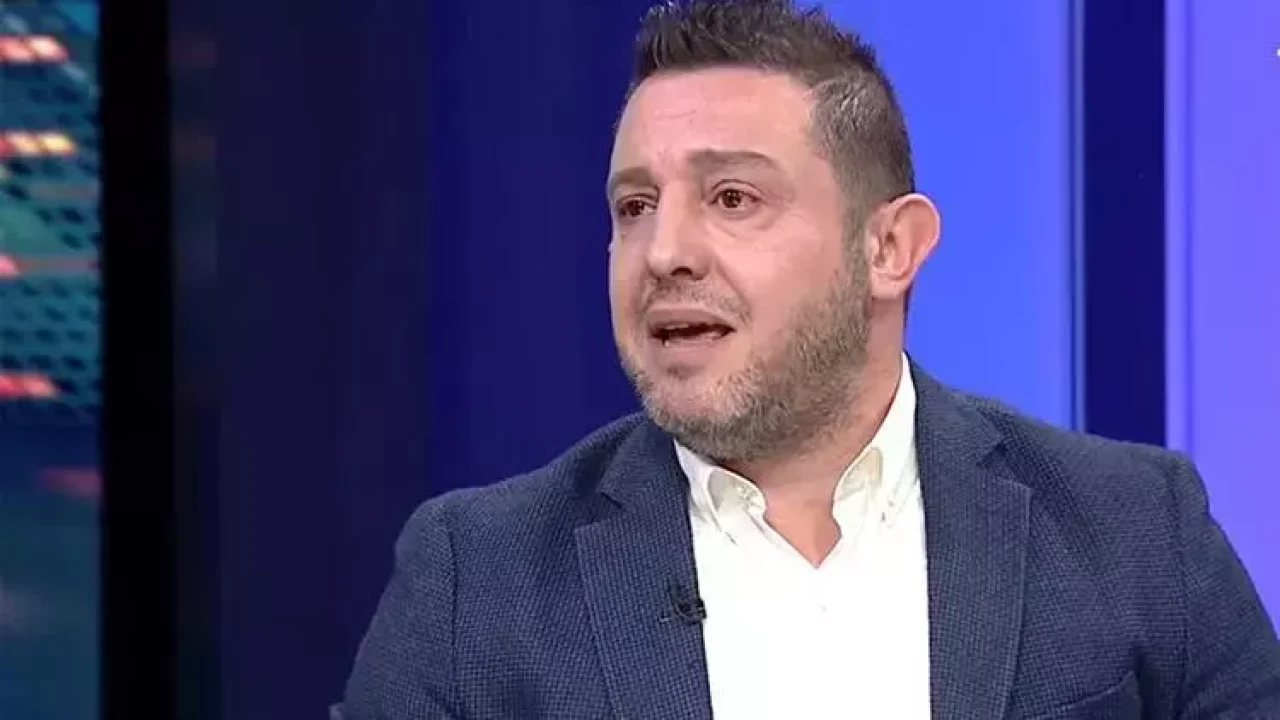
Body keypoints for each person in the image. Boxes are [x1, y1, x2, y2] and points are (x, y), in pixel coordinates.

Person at [337, 1, 1280, 717]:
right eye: (634, 207)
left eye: (733, 198)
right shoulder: (476, 580)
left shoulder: (1136, 530)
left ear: (890, 249)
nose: (665, 252)